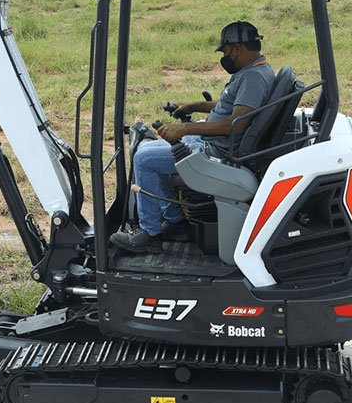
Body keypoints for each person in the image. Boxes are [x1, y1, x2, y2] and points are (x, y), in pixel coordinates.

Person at [110, 20, 276, 253]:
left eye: (226, 51)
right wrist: (194, 106)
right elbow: (231, 106)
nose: (225, 57)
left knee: (143, 159)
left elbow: (235, 124)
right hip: (213, 142)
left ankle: (150, 234)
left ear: (238, 48)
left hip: (217, 152)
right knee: (146, 150)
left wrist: (185, 129)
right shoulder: (254, 71)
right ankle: (175, 222)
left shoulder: (253, 78)